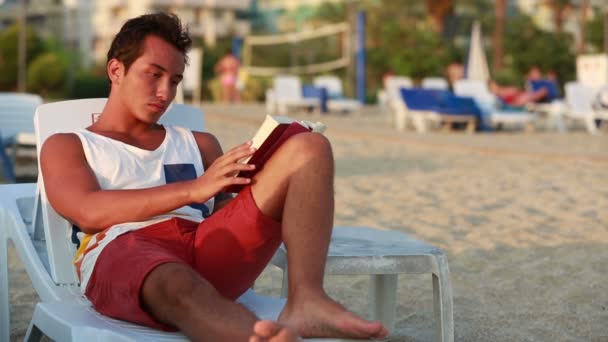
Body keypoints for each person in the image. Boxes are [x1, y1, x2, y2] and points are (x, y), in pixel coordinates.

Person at [40, 12, 387, 342]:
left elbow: (227, 214)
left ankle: (307, 299)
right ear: (116, 70)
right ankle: (257, 336)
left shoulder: (200, 143)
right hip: (125, 250)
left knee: (309, 147)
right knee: (176, 282)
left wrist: (258, 182)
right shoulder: (70, 145)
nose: (165, 93)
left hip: (205, 244)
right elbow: (87, 211)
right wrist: (194, 189)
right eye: (154, 74)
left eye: (175, 81)